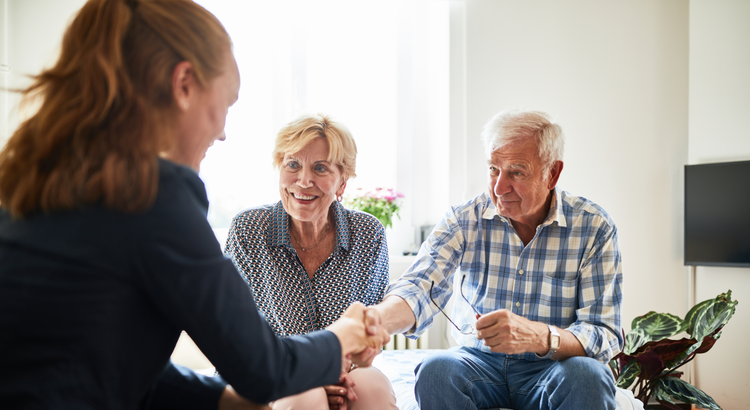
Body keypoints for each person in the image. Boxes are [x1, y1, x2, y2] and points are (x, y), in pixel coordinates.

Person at [0, 1, 388, 409]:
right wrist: (345, 335)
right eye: (226, 103)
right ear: (184, 84)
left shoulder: (49, 176)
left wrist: (222, 399)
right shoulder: (152, 196)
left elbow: (110, 358)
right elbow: (262, 367)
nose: (222, 132)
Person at [369, 108, 624, 410]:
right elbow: (420, 286)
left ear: (552, 173)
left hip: (553, 368)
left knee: (588, 375)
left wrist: (540, 336)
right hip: (478, 364)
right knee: (436, 370)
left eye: (516, 172)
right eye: (493, 169)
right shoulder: (464, 219)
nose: (499, 187)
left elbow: (604, 332)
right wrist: (375, 322)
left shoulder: (593, 226)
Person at [224, 113, 397, 410]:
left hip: (347, 373)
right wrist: (311, 376)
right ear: (280, 169)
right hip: (273, 370)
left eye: (320, 168)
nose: (304, 180)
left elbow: (369, 333)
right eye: (293, 164)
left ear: (342, 182)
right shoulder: (248, 229)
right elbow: (236, 333)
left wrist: (338, 376)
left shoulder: (368, 233)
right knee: (305, 396)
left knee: (374, 390)